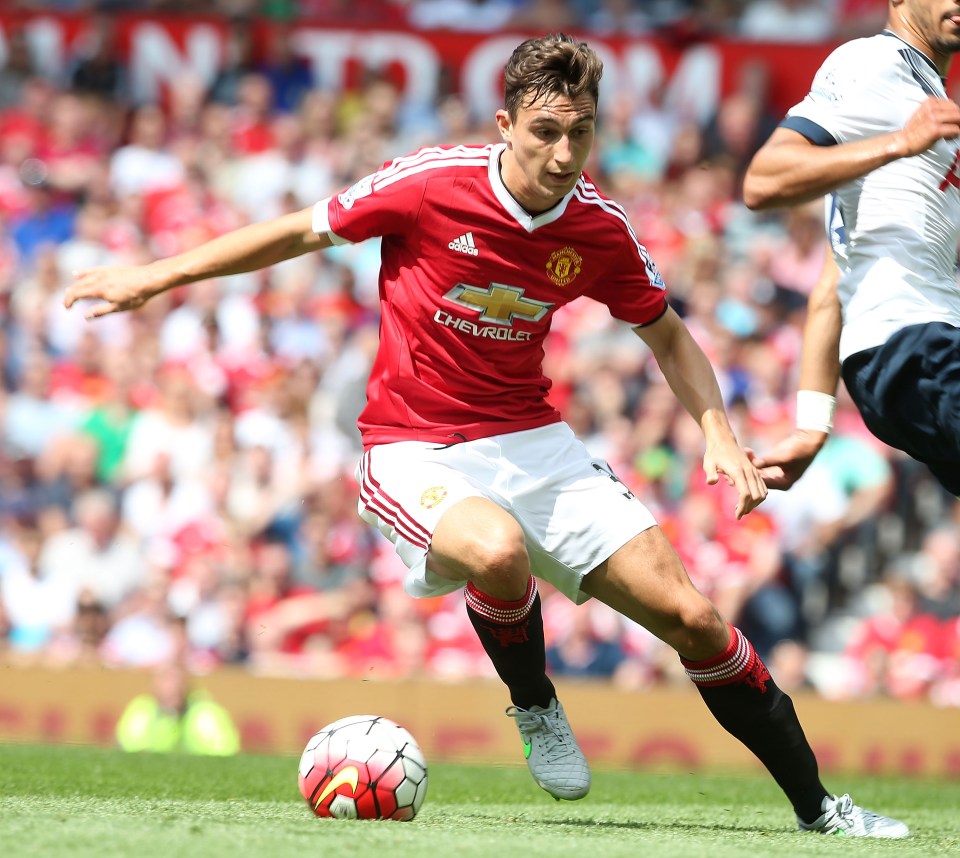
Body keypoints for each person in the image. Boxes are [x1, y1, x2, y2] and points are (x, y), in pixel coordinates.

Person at [65, 33, 905, 838]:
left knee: (694, 619)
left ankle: (820, 810)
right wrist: (158, 274)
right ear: (505, 126)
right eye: (546, 132)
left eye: (581, 133)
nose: (564, 155)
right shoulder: (430, 183)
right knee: (497, 550)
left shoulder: (597, 229)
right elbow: (298, 230)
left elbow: (670, 333)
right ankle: (535, 702)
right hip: (411, 441)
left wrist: (717, 433)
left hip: (533, 439)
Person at [742, 0, 960, 504]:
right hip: (910, 348)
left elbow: (830, 283)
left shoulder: (929, 101)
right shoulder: (872, 64)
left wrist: (813, 427)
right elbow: (762, 180)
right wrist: (900, 142)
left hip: (905, 358)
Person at [115, 661, 241, 755]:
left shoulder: (206, 712)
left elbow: (224, 750)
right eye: (166, 681)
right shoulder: (141, 710)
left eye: (177, 682)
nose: (173, 688)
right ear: (155, 686)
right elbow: (130, 746)